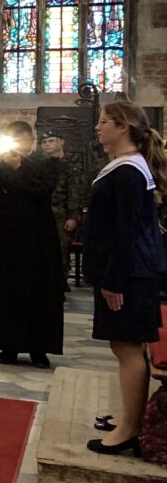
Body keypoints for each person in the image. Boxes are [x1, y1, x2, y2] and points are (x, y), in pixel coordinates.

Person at [83, 102, 167, 456]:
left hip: (130, 273)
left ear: (123, 127)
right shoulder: (125, 166)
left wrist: (114, 280)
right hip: (127, 270)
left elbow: (127, 230)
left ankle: (130, 428)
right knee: (124, 346)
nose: (98, 127)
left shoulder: (130, 171)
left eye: (104, 121)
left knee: (127, 346)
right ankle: (128, 415)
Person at [0, 121, 64, 368]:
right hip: (7, 235)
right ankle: (8, 345)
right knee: (7, 288)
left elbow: (43, 190)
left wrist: (18, 168)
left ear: (29, 139)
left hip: (38, 237)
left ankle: (39, 349)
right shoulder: (3, 161)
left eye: (19, 138)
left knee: (39, 290)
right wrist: (0, 164)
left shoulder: (46, 162)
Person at [40, 128, 85, 291]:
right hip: (42, 213)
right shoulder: (39, 165)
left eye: (51, 141)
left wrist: (73, 216)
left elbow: (75, 192)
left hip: (61, 214)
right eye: (44, 142)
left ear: (61, 142)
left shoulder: (70, 166)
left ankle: (61, 281)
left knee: (61, 248)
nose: (47, 145)